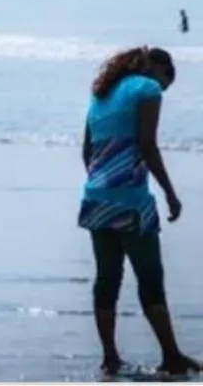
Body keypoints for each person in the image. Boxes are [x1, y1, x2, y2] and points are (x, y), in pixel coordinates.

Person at [80, 46, 200, 377]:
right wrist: (170, 193)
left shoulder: (100, 92)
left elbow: (86, 150)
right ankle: (172, 356)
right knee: (150, 279)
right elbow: (147, 144)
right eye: (165, 83)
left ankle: (110, 358)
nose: (161, 90)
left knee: (107, 279)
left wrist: (102, 182)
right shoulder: (146, 88)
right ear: (158, 69)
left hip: (95, 197)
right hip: (131, 199)